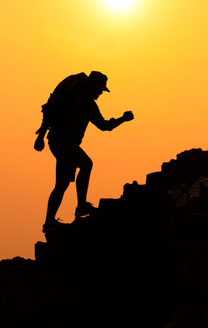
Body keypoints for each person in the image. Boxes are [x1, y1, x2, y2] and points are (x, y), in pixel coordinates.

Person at [34, 71, 134, 232]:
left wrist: (123, 119)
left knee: (62, 184)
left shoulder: (90, 106)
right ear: (91, 87)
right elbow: (51, 114)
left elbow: (104, 126)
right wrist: (40, 138)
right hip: (61, 141)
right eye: (100, 90)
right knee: (86, 163)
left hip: (64, 143)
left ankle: (49, 223)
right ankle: (81, 206)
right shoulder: (73, 97)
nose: (101, 93)